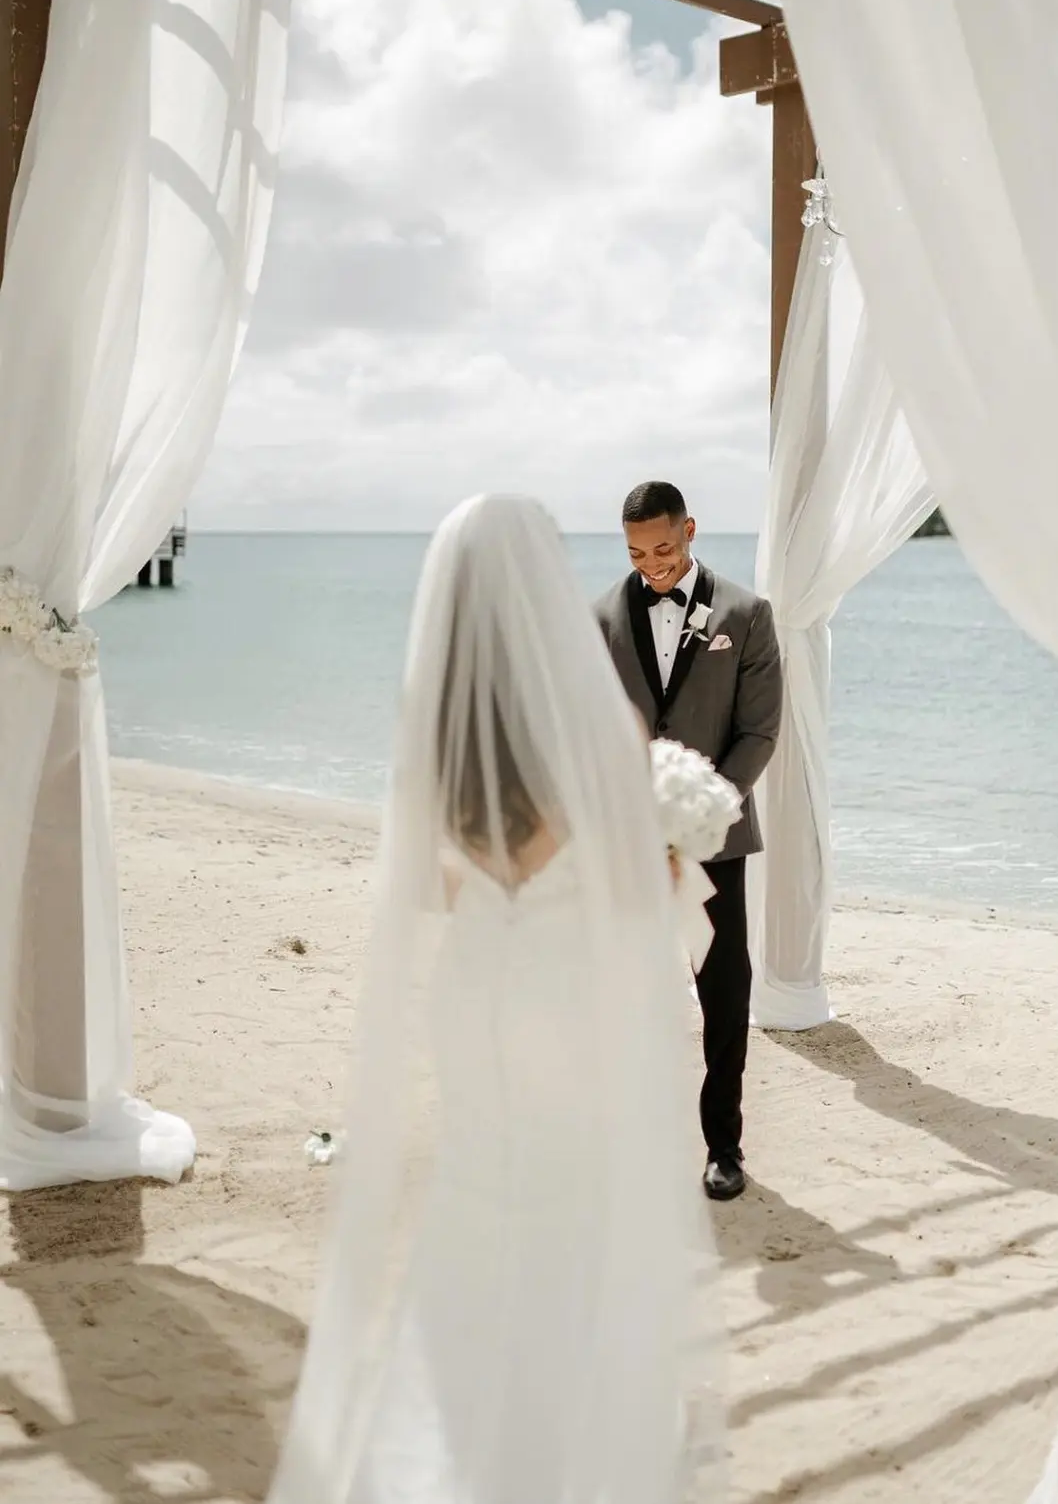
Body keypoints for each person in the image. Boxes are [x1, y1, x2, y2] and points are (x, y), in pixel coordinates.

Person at [267, 494, 721, 1504]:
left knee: (482, 1187)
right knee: (577, 1199)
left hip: (476, 984)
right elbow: (632, 889)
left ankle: (462, 1438)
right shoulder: (600, 725)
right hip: (565, 987)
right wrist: (674, 858)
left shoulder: (433, 723)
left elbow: (429, 885)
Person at [596, 481, 783, 1203]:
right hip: (629, 841)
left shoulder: (747, 614)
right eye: (638, 553)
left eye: (665, 548)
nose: (654, 565)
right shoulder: (599, 620)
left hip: (717, 840)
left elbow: (759, 731)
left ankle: (723, 1146)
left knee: (724, 993)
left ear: (692, 531)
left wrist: (702, 809)